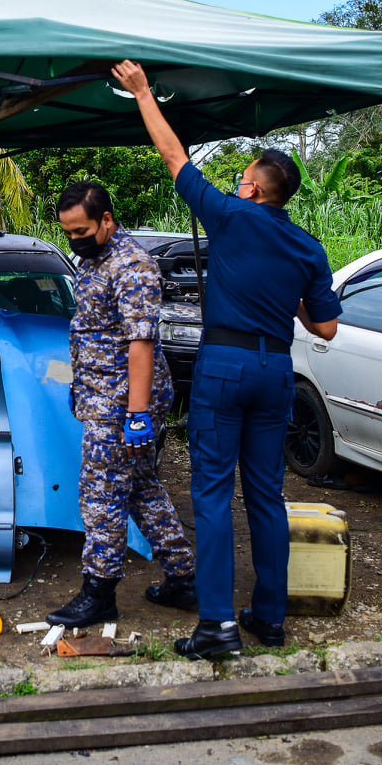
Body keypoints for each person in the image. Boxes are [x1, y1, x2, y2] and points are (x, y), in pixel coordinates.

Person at [112, 61, 342, 660]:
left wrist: (141, 91)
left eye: (242, 178)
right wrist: (283, 297)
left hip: (226, 366)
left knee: (212, 494)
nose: (237, 184)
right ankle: (269, 617)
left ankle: (216, 627)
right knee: (266, 494)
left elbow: (172, 155)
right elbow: (326, 326)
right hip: (275, 372)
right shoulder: (309, 247)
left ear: (255, 190)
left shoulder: (232, 216)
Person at [46, 181, 198, 628]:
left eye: (82, 230)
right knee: (140, 488)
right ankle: (183, 578)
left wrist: (135, 415)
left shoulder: (131, 265)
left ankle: (99, 592)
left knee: (102, 495)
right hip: (104, 394)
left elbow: (141, 344)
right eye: (68, 233)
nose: (74, 241)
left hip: (120, 401)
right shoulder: (97, 258)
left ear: (107, 220)